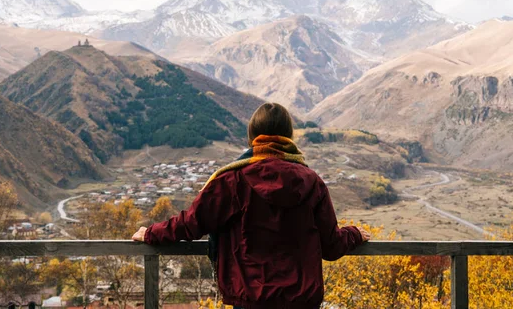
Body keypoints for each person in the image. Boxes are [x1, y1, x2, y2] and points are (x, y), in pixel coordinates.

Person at [132, 102, 370, 308]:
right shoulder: (312, 182)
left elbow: (192, 223)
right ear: (289, 136)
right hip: (301, 301)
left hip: (250, 299)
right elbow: (331, 246)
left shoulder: (231, 180)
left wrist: (151, 233)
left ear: (252, 136)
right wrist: (354, 234)